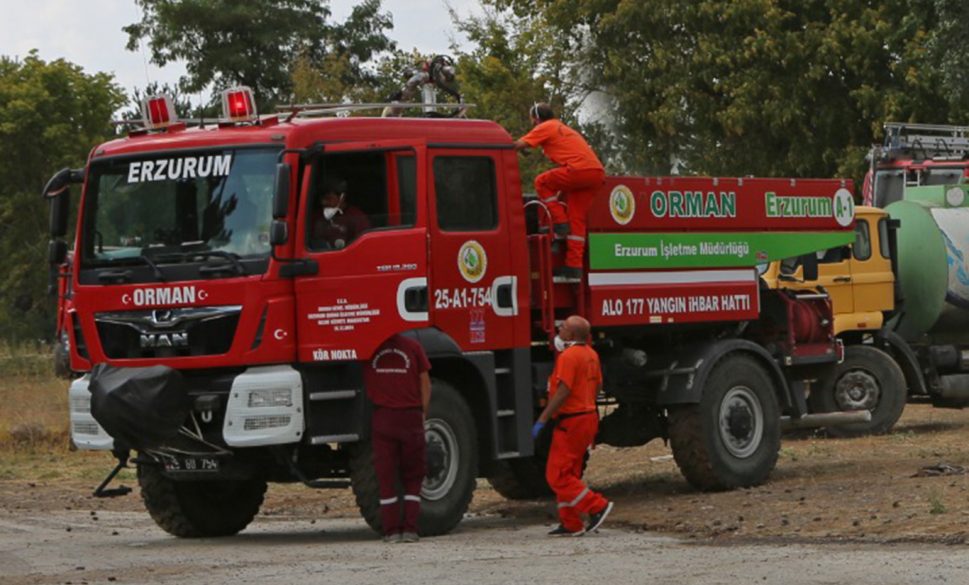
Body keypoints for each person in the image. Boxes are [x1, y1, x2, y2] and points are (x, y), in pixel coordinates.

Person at [532, 315, 613, 536]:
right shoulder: (591, 355)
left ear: (572, 334)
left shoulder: (569, 357)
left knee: (557, 475)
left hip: (572, 421)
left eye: (565, 327)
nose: (560, 329)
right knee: (570, 473)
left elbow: (563, 391)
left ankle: (597, 506)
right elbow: (597, 386)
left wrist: (542, 419)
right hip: (587, 417)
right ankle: (571, 522)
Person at [514, 103, 606, 283]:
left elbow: (519, 144)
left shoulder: (545, 127)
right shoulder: (562, 128)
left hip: (579, 171)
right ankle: (573, 267)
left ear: (537, 118)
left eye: (532, 119)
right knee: (577, 218)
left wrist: (496, 145)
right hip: (596, 173)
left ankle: (560, 223)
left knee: (541, 182)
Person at [363, 332, 432, 543]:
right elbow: (425, 383)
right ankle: (410, 529)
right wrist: (422, 413)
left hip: (383, 418)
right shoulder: (414, 347)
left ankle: (391, 531)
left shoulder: (369, 349)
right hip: (410, 417)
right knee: (413, 476)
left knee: (386, 478)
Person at [311, 177, 371, 249]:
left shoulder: (357, 217)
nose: (323, 202)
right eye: (322, 199)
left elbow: (364, 246)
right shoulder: (317, 217)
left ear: (342, 197)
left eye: (328, 198)